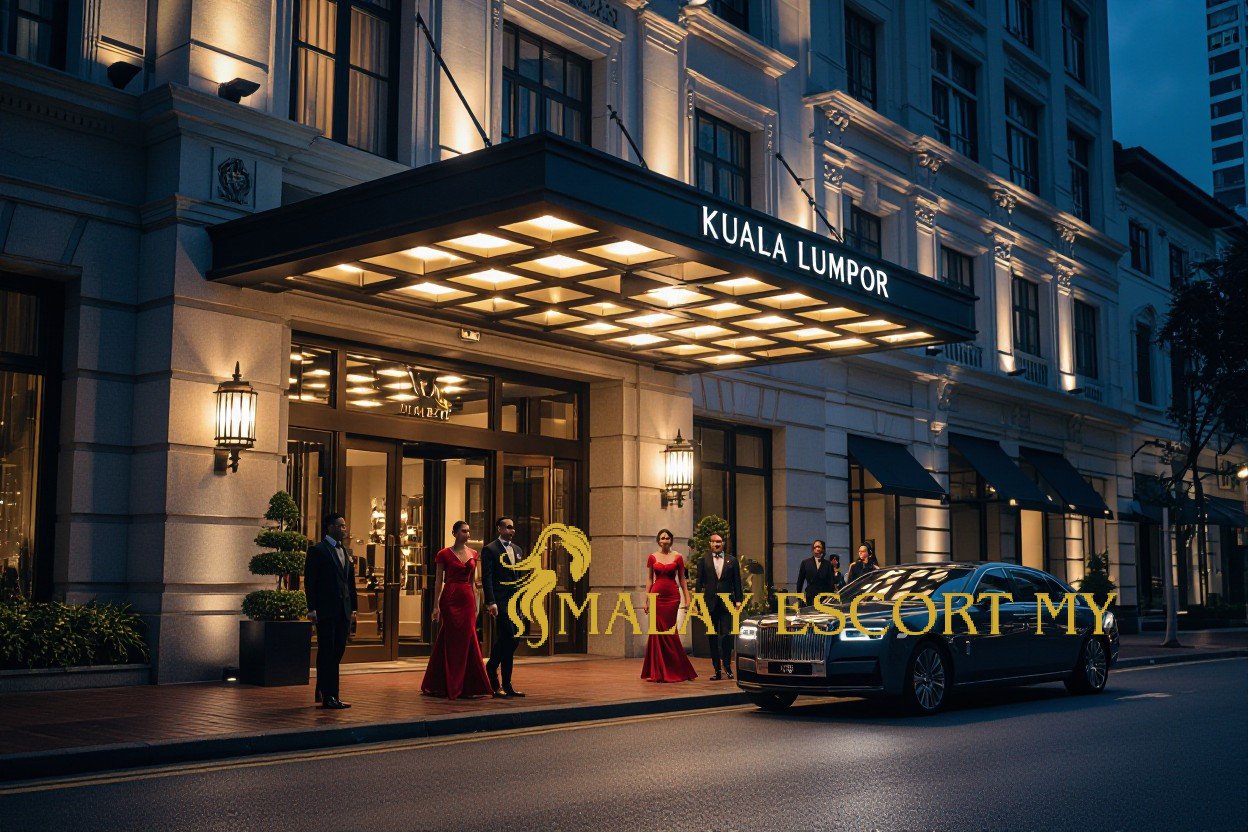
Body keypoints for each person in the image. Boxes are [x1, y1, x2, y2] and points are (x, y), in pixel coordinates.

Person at [421, 521, 494, 700]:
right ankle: (447, 683)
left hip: (467, 598)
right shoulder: (443, 554)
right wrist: (436, 605)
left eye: (468, 531)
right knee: (451, 638)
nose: (467, 534)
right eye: (463, 531)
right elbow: (439, 580)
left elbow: (473, 582)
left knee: (469, 637)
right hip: (450, 597)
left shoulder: (474, 554)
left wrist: (477, 603)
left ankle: (469, 684)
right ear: (454, 533)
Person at [305, 512, 358, 709]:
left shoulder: (345, 550)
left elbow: (349, 582)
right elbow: (311, 582)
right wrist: (311, 608)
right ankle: (330, 696)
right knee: (327, 651)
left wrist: (353, 607)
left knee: (337, 651)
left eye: (344, 526)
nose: (344, 529)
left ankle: (322, 688)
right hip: (326, 610)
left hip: (343, 610)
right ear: (330, 527)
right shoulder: (317, 551)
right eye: (341, 526)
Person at [641, 529, 698, 683]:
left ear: (671, 540)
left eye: (667, 538)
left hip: (672, 597)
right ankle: (658, 671)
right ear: (658, 540)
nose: (664, 540)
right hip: (656, 596)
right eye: (662, 538)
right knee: (657, 632)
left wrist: (687, 598)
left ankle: (676, 669)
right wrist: (645, 600)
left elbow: (682, 579)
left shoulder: (678, 557)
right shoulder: (652, 557)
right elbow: (649, 579)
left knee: (670, 631)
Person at [481, 516, 526, 698]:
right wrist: (491, 602)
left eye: (513, 528)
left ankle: (506, 683)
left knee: (510, 639)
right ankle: (492, 669)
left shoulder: (517, 550)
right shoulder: (490, 549)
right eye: (508, 527)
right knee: (510, 637)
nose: (512, 531)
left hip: (515, 601)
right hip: (500, 601)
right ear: (499, 529)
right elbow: (487, 578)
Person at [696, 531, 743, 681]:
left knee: (727, 636)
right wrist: (698, 602)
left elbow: (737, 582)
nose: (716, 544)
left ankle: (727, 666)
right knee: (712, 637)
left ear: (723, 543)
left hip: (727, 603)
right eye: (714, 542)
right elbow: (699, 583)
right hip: (710, 603)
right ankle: (716, 669)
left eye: (719, 541)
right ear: (710, 543)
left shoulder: (732, 561)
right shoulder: (703, 560)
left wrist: (739, 600)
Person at [795, 539, 834, 607]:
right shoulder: (805, 563)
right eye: (815, 547)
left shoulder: (828, 564)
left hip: (824, 597)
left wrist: (830, 597)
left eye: (819, 547)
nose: (817, 549)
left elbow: (831, 582)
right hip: (810, 596)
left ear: (823, 549)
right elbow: (800, 581)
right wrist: (799, 597)